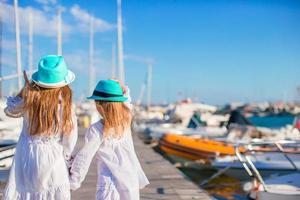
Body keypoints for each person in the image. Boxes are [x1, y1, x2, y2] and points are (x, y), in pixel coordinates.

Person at [3, 55, 78, 200]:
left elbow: (10, 110)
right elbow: (69, 140)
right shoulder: (65, 105)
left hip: (27, 158)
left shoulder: (29, 99)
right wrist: (67, 160)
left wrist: (26, 88)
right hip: (53, 158)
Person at [69, 79, 149, 200]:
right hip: (130, 182)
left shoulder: (97, 130)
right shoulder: (126, 121)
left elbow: (84, 157)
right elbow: (127, 101)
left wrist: (73, 181)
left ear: (99, 105)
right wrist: (123, 88)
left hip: (109, 185)